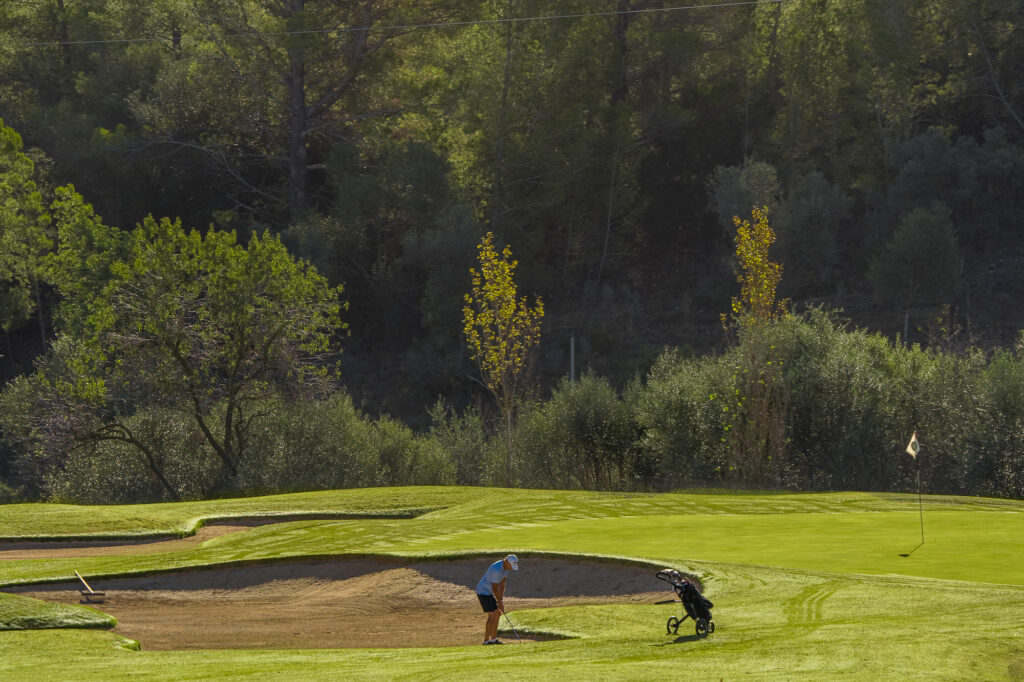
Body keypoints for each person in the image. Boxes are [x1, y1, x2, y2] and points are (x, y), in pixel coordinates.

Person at [475, 554, 518, 644]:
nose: (511, 568)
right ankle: (486, 641)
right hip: (483, 591)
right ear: (507, 562)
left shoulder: (506, 569)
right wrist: (499, 601)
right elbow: (495, 587)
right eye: (511, 566)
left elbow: (502, 584)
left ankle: (493, 639)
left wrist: (501, 600)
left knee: (497, 613)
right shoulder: (496, 569)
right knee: (492, 615)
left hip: (489, 592)